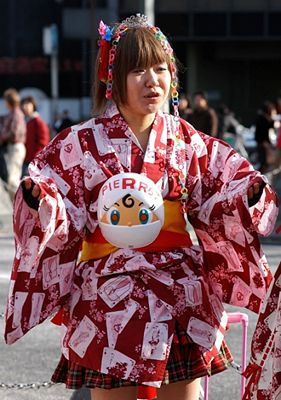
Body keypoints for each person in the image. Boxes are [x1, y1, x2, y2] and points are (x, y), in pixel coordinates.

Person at [4, 14, 279, 400]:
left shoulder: (185, 139)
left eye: (160, 68)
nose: (152, 80)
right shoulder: (82, 143)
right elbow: (57, 193)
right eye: (137, 70)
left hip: (180, 291)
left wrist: (244, 194)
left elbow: (223, 183)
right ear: (113, 79)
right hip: (109, 292)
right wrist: (42, 199)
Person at [0, 88, 26, 199]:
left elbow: (13, 133)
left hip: (15, 147)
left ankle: (19, 207)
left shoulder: (16, 114)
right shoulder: (13, 113)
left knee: (12, 179)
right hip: (13, 147)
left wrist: (2, 137)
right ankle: (16, 208)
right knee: (12, 178)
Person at [20, 96, 50, 177]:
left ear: (33, 105)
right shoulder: (26, 121)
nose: (24, 107)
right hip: (25, 159)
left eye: (27, 104)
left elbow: (43, 143)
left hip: (33, 161)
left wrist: (35, 159)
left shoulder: (38, 122)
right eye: (23, 105)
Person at [254, 101, 277, 173]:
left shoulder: (262, 118)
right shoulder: (263, 119)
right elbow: (263, 132)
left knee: (263, 162)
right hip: (263, 143)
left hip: (262, 143)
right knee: (264, 163)